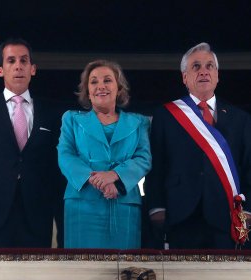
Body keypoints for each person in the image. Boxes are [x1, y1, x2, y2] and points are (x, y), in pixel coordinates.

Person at [145, 42, 251, 249]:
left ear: (217, 75)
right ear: (185, 77)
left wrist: (248, 209)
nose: (204, 71)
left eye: (209, 66)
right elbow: (156, 165)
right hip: (180, 211)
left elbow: (248, 167)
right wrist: (156, 206)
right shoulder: (166, 115)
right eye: (196, 66)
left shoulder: (241, 119)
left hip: (227, 214)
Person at [0, 38, 64, 248]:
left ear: (33, 69)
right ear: (0, 70)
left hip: (36, 215)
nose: (18, 66)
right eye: (11, 61)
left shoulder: (52, 113)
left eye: (24, 60)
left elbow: (55, 166)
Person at [57, 60, 152, 249]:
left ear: (119, 88)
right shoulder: (71, 119)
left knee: (123, 273)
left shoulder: (139, 122)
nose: (100, 86)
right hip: (82, 205)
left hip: (124, 204)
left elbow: (144, 158)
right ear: (87, 91)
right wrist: (96, 179)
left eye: (107, 80)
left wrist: (115, 176)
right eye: (93, 82)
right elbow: (65, 155)